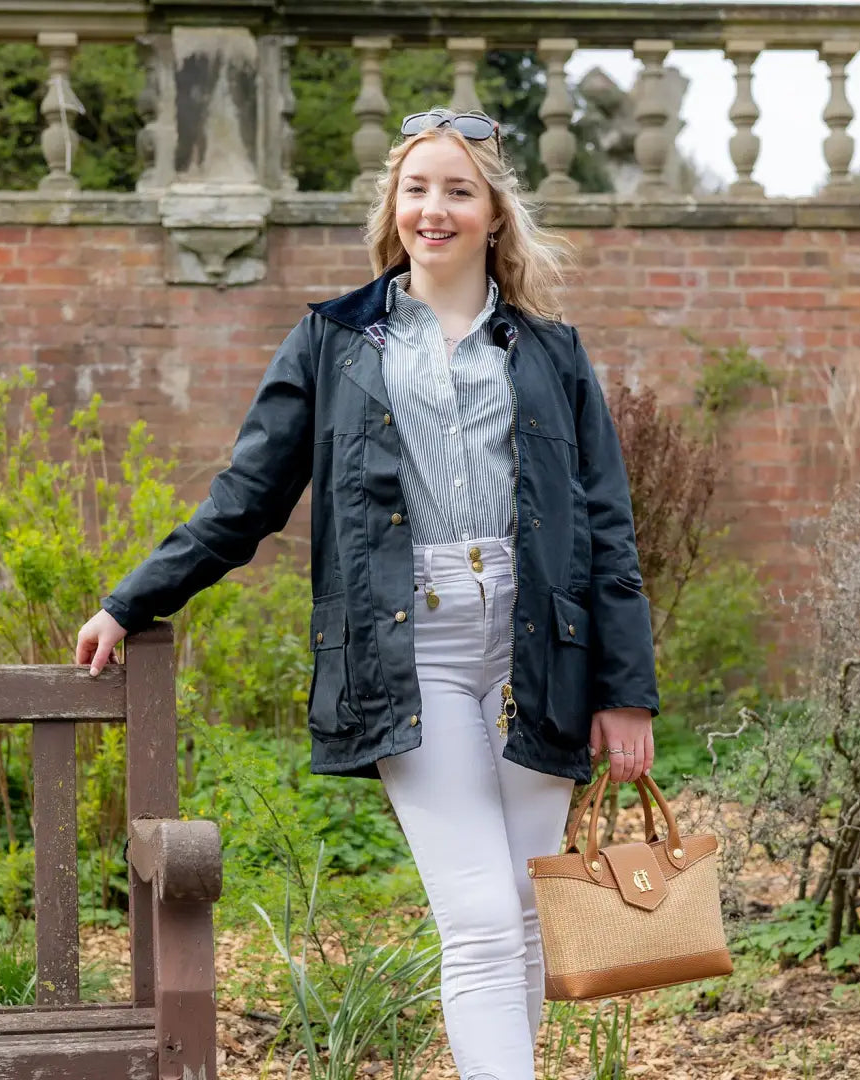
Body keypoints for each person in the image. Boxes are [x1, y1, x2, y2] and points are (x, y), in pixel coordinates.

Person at [76, 106, 658, 1079]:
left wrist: (626, 689)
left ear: (495, 215)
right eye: (417, 188)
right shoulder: (335, 343)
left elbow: (606, 525)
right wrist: (133, 597)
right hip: (409, 651)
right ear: (394, 205)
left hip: (537, 650)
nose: (435, 208)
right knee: (477, 915)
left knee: (521, 913)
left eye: (459, 190)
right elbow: (245, 500)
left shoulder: (552, 352)